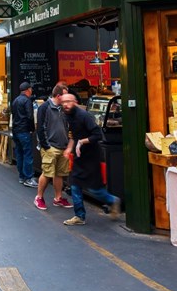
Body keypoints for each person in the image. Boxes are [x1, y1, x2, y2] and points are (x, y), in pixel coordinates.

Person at [60, 93, 121, 225]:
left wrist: (82, 142)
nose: (65, 104)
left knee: (95, 189)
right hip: (79, 156)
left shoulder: (84, 116)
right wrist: (69, 149)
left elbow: (97, 134)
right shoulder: (67, 116)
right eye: (63, 102)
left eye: (68, 101)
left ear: (75, 102)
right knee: (75, 185)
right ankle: (79, 216)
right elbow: (73, 136)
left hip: (92, 157)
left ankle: (112, 200)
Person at [34, 84, 72, 211]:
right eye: (65, 95)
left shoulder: (64, 108)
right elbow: (40, 128)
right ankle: (39, 197)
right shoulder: (44, 107)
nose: (67, 98)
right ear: (59, 95)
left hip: (63, 146)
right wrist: (46, 146)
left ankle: (58, 198)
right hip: (50, 146)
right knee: (47, 173)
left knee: (60, 174)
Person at [12, 82, 38, 188]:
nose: (31, 90)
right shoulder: (27, 101)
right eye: (30, 89)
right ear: (28, 90)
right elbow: (30, 117)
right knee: (27, 154)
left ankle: (22, 176)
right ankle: (28, 178)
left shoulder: (15, 100)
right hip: (24, 131)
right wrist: (32, 129)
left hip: (16, 130)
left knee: (19, 153)